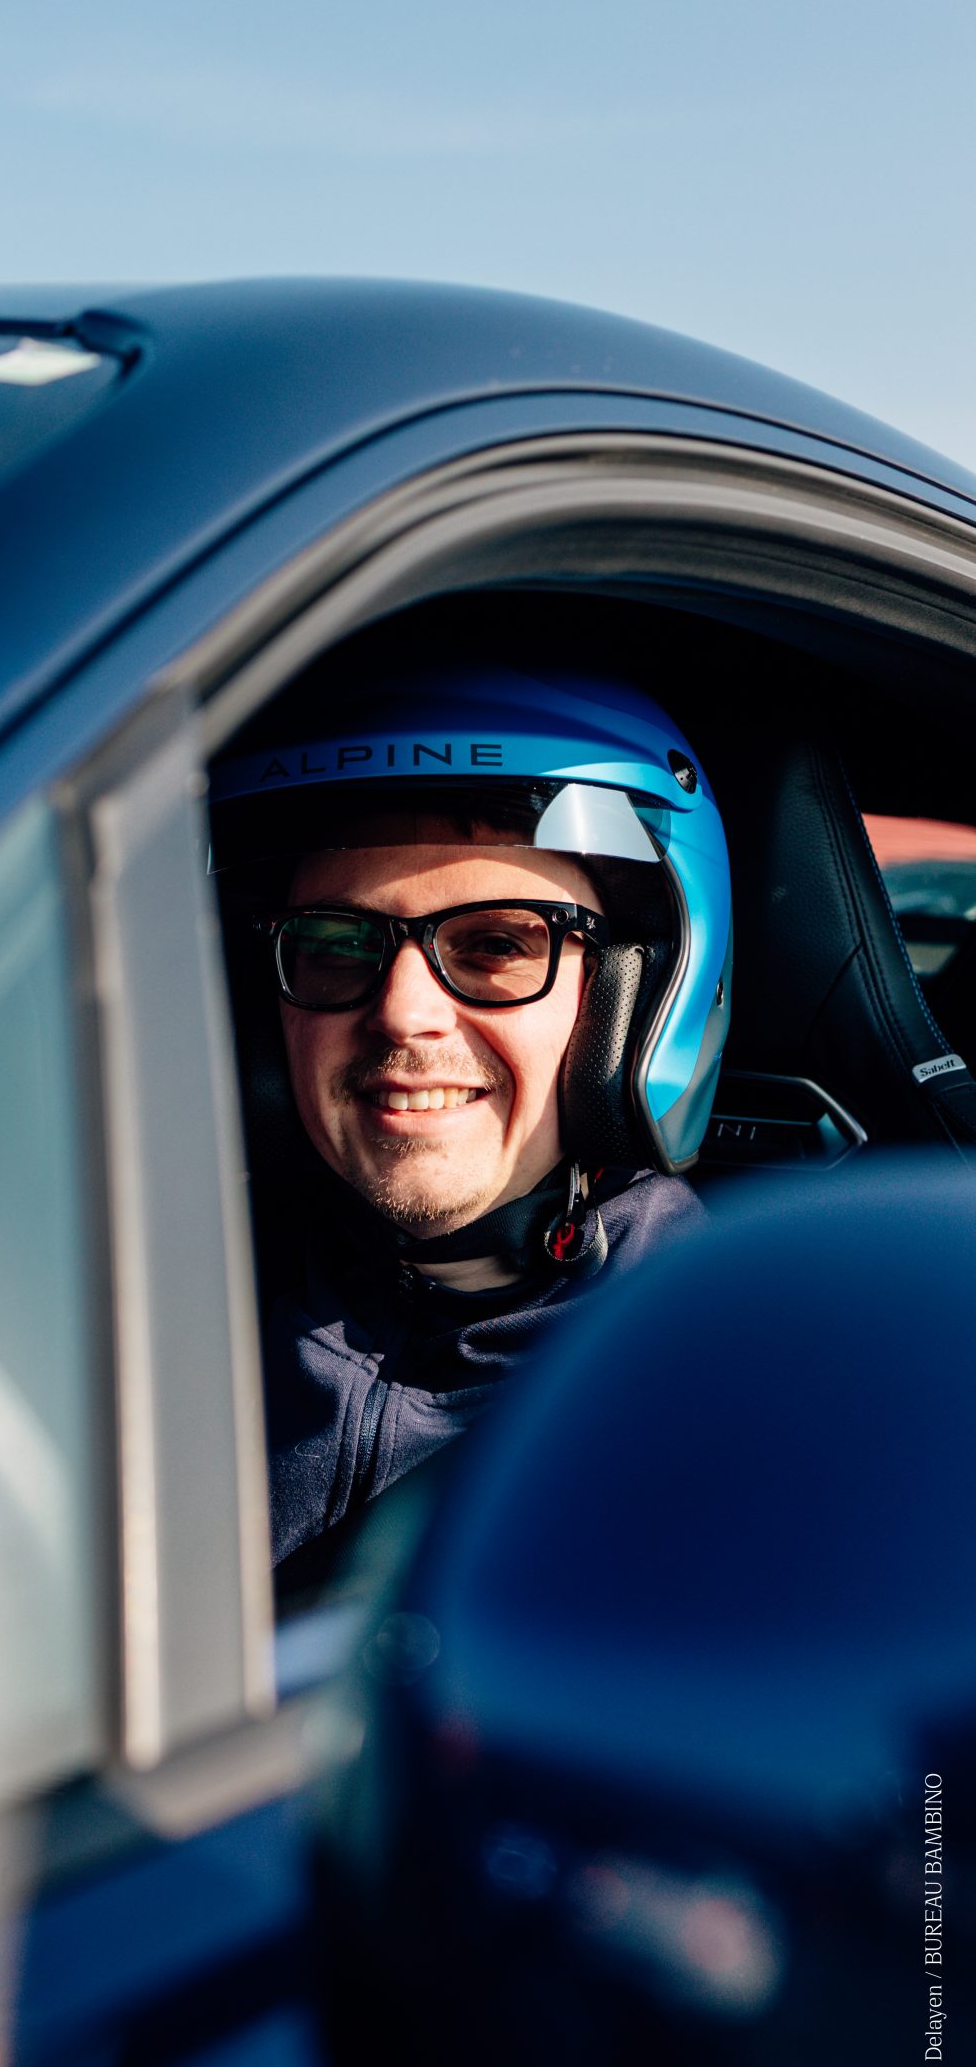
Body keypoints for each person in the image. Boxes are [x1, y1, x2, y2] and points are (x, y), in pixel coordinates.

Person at [208, 665, 731, 1576]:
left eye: (494, 943)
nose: (402, 1013)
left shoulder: (725, 1388)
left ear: (634, 1004)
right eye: (335, 944)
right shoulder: (143, 1307)